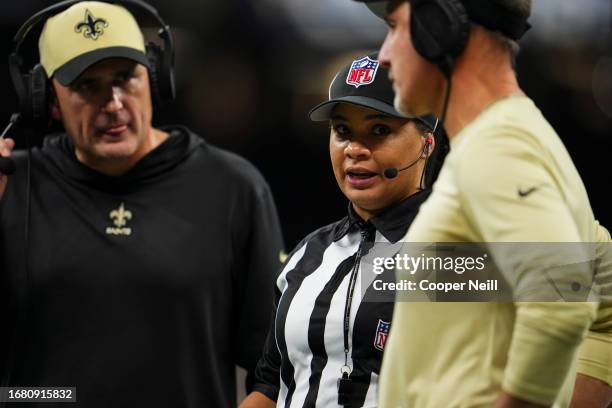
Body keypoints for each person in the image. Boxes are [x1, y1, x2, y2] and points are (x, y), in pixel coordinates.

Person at [0, 1, 284, 407]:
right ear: (46, 99)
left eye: (125, 78)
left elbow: (274, 369)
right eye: (87, 86)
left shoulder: (232, 187)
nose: (113, 103)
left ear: (154, 78)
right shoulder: (12, 185)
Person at [352, 0, 612, 407]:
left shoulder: (499, 147)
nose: (383, 54)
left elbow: (562, 302)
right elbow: (600, 288)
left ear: (439, 26)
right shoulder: (519, 138)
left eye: (395, 27)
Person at [239, 54, 448, 408]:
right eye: (342, 131)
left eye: (380, 130)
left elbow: (564, 310)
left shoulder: (457, 252)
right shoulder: (307, 255)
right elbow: (271, 383)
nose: (354, 149)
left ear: (427, 143)